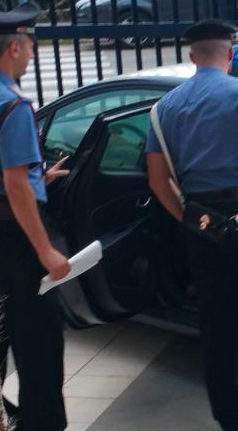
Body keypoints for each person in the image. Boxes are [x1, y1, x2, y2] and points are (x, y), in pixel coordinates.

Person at [146, 20, 238, 431]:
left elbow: (157, 180)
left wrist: (187, 218)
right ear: (230, 54)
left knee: (216, 325)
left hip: (200, 227)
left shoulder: (164, 109)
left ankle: (232, 419)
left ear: (192, 57)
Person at [0, 2, 71, 431]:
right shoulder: (13, 106)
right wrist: (45, 251)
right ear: (15, 47)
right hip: (16, 240)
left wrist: (37, 175)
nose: (32, 54)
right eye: (31, 46)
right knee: (40, 345)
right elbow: (14, 186)